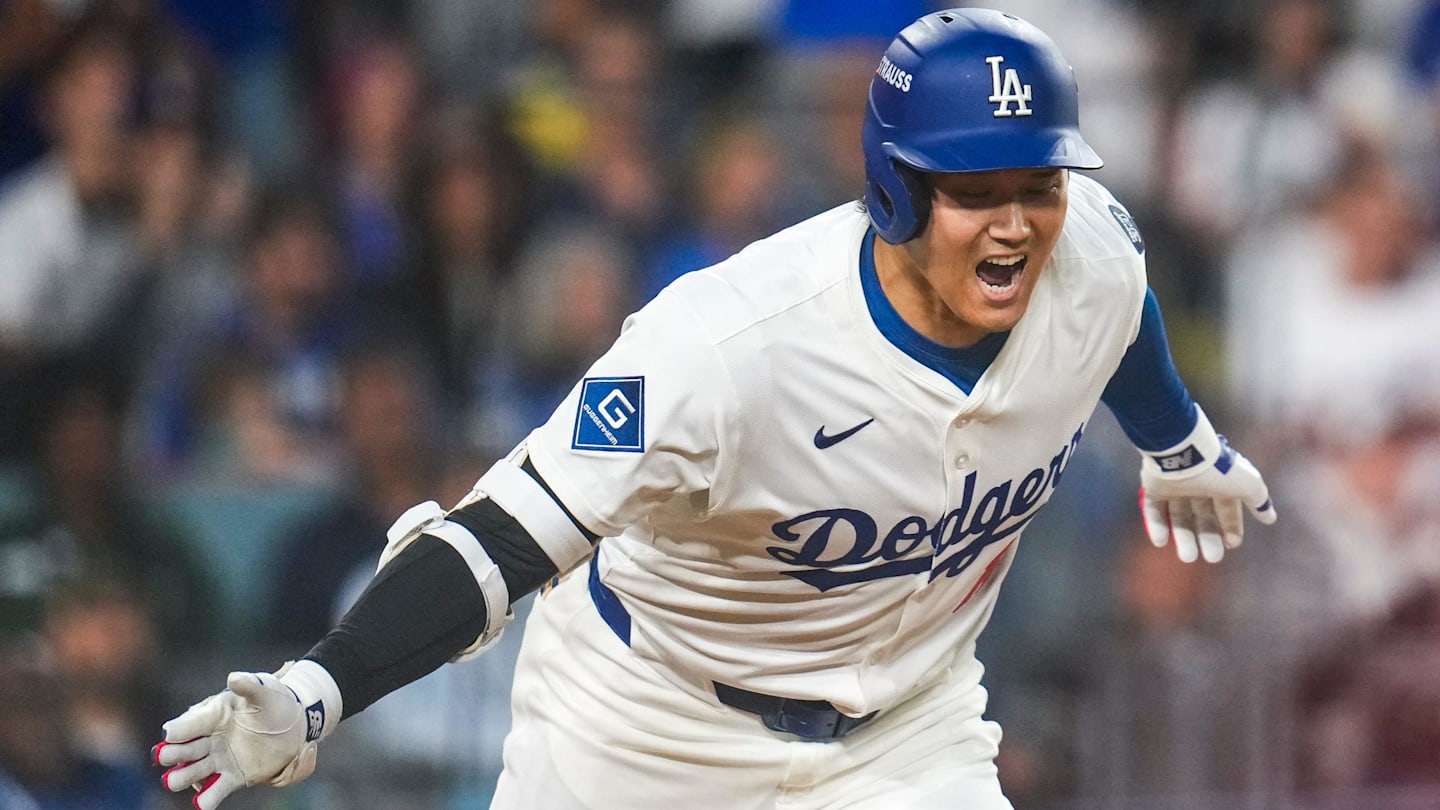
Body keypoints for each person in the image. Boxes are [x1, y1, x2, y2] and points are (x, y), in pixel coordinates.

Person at [152, 10, 1277, 810]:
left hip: (903, 741)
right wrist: (322, 685)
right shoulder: (725, 347)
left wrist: (1179, 439)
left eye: (1039, 184)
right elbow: (504, 541)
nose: (1019, 222)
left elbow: (1117, 320)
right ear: (894, 188)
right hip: (646, 729)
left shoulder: (1090, 253)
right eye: (975, 190)